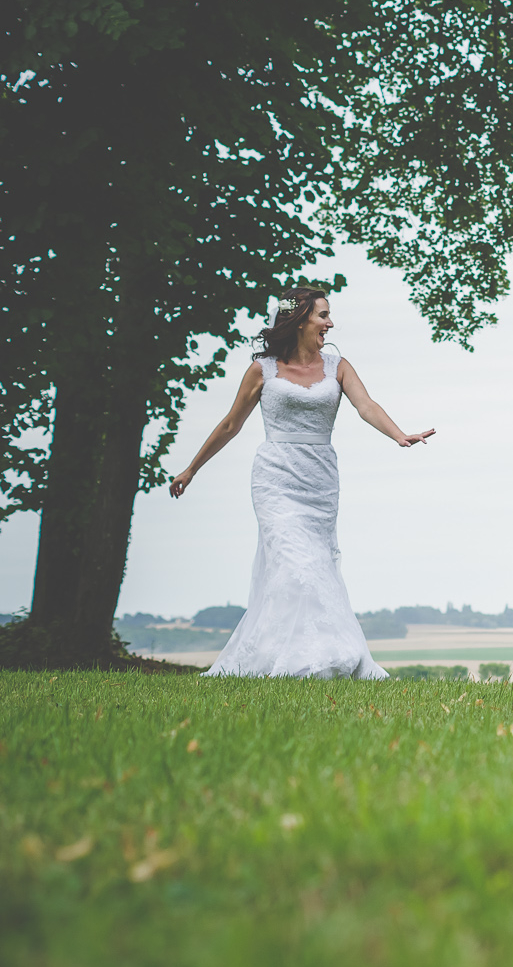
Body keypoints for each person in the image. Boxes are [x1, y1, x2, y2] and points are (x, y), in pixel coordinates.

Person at [170, 288, 432, 678]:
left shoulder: (338, 366)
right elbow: (230, 425)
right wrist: (191, 469)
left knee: (319, 566)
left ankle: (321, 654)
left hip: (320, 479)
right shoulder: (263, 370)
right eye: (322, 315)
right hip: (275, 478)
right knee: (296, 564)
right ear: (299, 320)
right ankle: (296, 660)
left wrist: (397, 435)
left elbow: (367, 406)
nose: (329, 323)